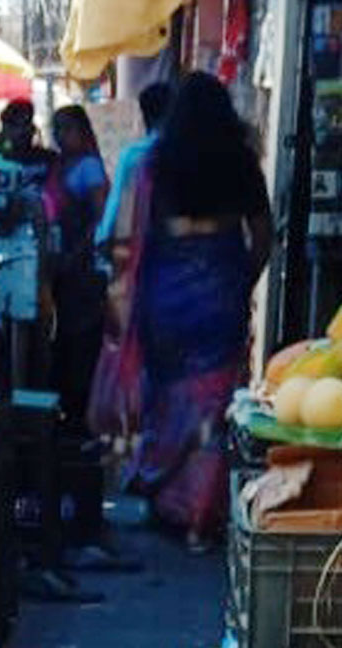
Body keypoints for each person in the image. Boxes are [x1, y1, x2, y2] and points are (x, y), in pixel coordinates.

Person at [120, 72, 273, 552]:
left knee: (166, 397)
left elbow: (134, 233)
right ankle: (202, 512)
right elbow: (264, 232)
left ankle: (165, 498)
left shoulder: (157, 160)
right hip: (221, 290)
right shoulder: (241, 159)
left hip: (166, 294)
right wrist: (242, 279)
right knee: (213, 403)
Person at [45, 105, 110, 434]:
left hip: (82, 269)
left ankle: (82, 414)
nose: (60, 136)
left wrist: (78, 252)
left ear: (82, 131)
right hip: (62, 265)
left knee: (81, 338)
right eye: (56, 128)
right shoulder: (59, 165)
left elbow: (100, 218)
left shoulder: (89, 167)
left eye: (66, 129)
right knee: (64, 337)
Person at [95, 82, 172, 256]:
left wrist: (104, 237)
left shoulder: (134, 154)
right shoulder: (188, 151)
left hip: (144, 242)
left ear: (144, 115)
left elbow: (118, 200)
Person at [0, 100, 56, 187]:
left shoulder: (50, 159)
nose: (22, 130)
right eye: (15, 125)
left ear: (33, 128)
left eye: (26, 123)